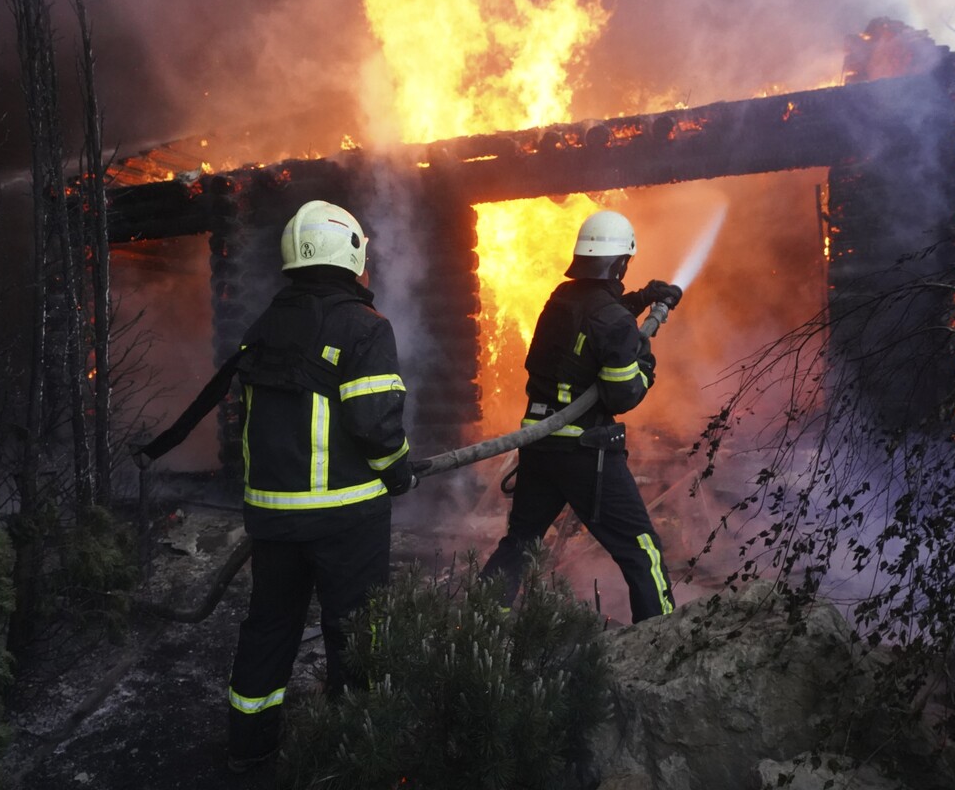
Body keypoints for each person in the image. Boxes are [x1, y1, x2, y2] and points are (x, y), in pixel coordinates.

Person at [133, 200, 415, 773]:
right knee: (356, 633)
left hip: (272, 517)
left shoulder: (266, 325)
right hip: (346, 516)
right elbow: (377, 425)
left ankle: (251, 747)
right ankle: (355, 751)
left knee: (269, 628)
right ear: (352, 253)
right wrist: (400, 471)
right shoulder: (365, 327)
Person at [479, 209, 680, 624]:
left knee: (520, 542)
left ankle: (477, 627)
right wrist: (645, 364)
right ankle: (661, 642)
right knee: (641, 549)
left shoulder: (560, 300)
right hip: (588, 455)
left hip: (539, 447)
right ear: (620, 262)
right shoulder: (611, 320)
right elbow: (623, 393)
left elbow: (595, 319)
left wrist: (641, 298)